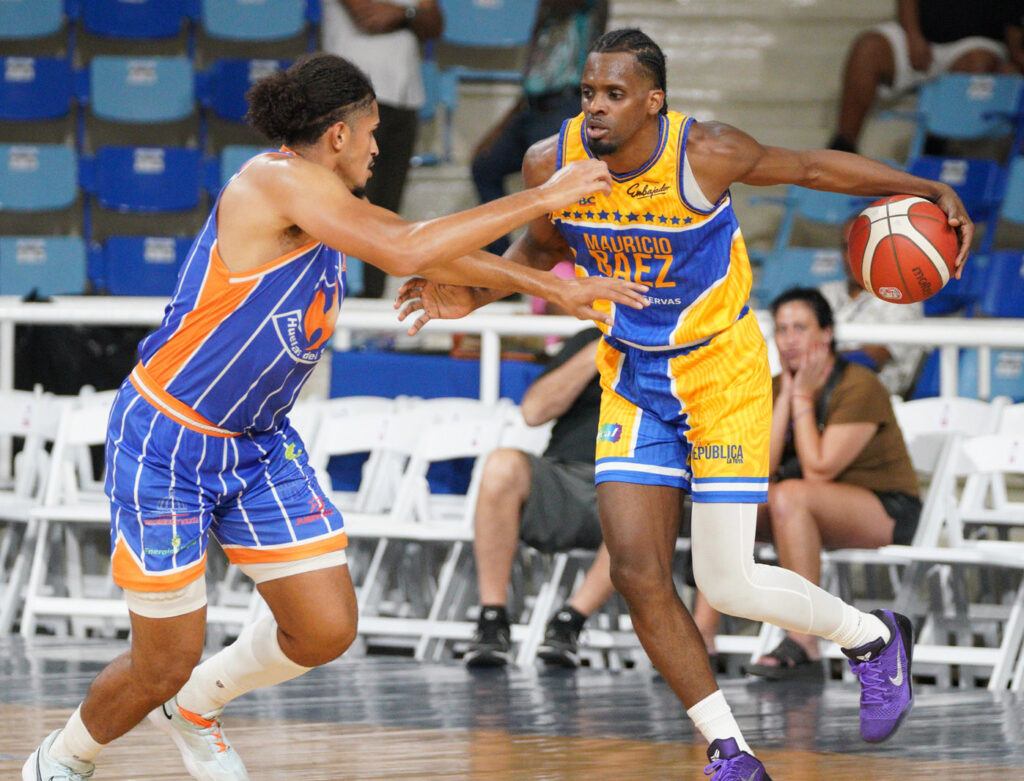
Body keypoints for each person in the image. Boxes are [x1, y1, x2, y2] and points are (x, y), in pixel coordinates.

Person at [21, 54, 649, 781]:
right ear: (339, 135)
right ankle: (61, 760)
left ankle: (196, 706)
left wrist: (553, 287)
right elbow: (408, 249)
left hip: (255, 444)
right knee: (161, 661)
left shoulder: (334, 204)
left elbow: (429, 243)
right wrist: (544, 196)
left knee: (324, 628)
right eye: (372, 131)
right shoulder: (274, 181)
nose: (379, 146)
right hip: (169, 438)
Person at [396, 28, 973, 779]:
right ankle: (729, 751)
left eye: (614, 94)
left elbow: (810, 167)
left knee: (726, 581)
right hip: (633, 376)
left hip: (721, 374)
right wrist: (468, 298)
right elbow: (538, 253)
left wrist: (922, 187)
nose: (596, 107)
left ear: (653, 102)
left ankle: (872, 637)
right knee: (637, 574)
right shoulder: (551, 162)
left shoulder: (704, 153)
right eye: (588, 93)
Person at [693, 287, 922, 680]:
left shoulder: (859, 385)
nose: (789, 340)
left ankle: (804, 642)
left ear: (827, 334)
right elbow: (757, 470)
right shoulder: (772, 385)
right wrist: (785, 395)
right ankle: (702, 637)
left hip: (883, 507)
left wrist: (801, 396)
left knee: (790, 496)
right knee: (727, 500)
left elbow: (819, 470)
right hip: (800, 507)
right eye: (782, 330)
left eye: (800, 328)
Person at [464, 326, 615, 669]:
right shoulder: (593, 336)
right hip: (563, 474)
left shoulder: (683, 343)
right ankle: (492, 619)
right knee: (501, 465)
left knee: (648, 498)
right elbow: (533, 412)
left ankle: (570, 622)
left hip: (634, 479)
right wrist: (602, 347)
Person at [321, 0, 443, 298]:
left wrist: (402, 14)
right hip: (350, 98)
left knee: (387, 208)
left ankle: (372, 297)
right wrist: (413, 13)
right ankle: (328, 293)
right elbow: (369, 18)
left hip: (405, 96)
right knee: (346, 203)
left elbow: (435, 26)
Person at [472, 0, 608, 255]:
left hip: (564, 105)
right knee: (485, 167)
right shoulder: (544, 13)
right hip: (530, 107)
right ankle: (501, 260)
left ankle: (551, 266)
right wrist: (502, 125)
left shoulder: (585, 9)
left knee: (553, 191)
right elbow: (534, 73)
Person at [828, 0, 1015, 154]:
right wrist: (913, 36)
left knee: (978, 63)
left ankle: (939, 143)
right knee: (868, 47)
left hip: (978, 44)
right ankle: (843, 147)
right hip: (921, 37)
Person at [819, 216, 924, 397]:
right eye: (846, 247)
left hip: (872, 399)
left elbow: (873, 357)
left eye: (862, 247)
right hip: (816, 392)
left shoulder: (902, 298)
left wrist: (812, 360)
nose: (852, 256)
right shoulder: (826, 292)